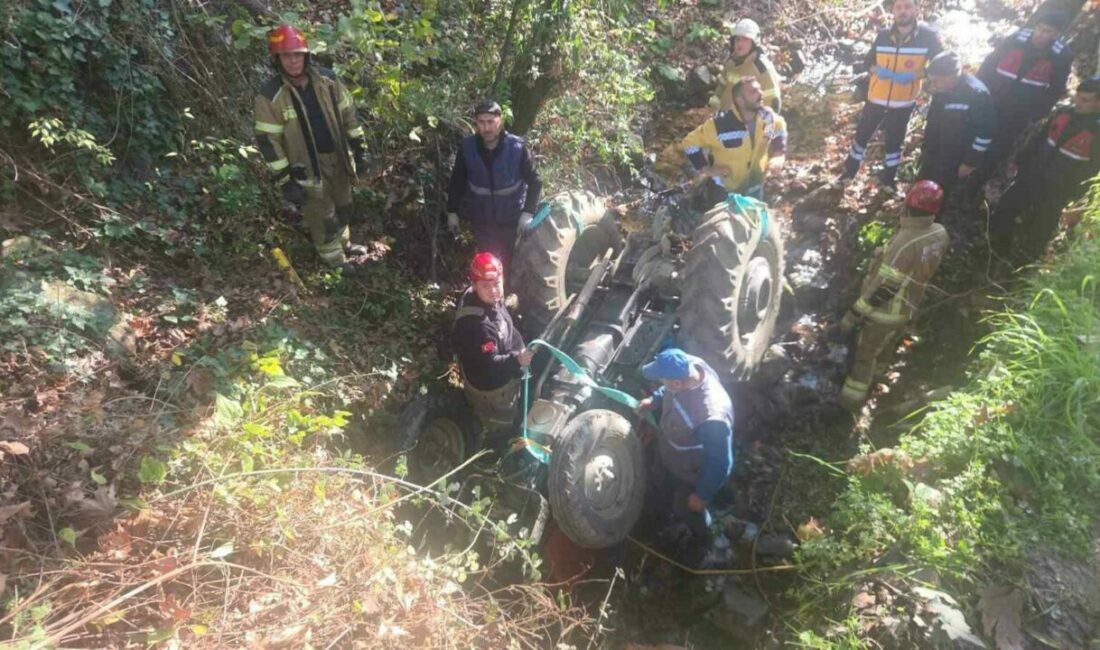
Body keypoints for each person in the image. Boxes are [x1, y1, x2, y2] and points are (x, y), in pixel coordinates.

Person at [254, 24, 369, 271]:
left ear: (306, 55)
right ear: (277, 59)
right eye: (286, 55)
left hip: (337, 158)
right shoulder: (270, 95)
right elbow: (268, 141)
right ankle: (334, 261)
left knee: (344, 205)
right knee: (322, 216)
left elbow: (349, 115)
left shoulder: (328, 81)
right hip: (304, 167)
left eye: (298, 54)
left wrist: (360, 148)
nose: (293, 61)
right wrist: (285, 179)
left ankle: (345, 244)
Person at [836, 181, 949, 410]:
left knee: (866, 353)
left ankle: (850, 402)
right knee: (886, 346)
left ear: (908, 205)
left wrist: (854, 314)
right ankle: (877, 378)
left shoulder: (905, 242)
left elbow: (885, 287)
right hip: (909, 307)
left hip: (885, 312)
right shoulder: (940, 233)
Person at [989, 76, 1100, 267]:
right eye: (1077, 97)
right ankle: (995, 251)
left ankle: (1022, 269)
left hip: (1058, 191)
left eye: (1085, 100)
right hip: (1031, 176)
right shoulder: (1063, 113)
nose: (1078, 103)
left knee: (1039, 231)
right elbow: (1039, 138)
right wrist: (1019, 160)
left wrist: (1079, 199)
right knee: (1005, 209)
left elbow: (1094, 171)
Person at [635, 348, 734, 553]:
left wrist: (701, 495)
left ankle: (703, 541)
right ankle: (665, 507)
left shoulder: (711, 417)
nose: (660, 382)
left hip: (691, 472)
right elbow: (667, 391)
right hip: (671, 454)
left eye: (662, 380)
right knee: (662, 484)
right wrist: (654, 400)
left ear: (677, 384)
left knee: (687, 508)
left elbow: (721, 463)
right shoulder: (691, 365)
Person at [839, 0, 942, 189]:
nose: (903, 11)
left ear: (916, 9)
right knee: (861, 137)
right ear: (893, 11)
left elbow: (940, 65)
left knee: (895, 142)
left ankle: (888, 181)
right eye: (898, 7)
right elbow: (868, 61)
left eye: (907, 6)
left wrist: (916, 75)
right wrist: (876, 70)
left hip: (903, 101)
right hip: (876, 98)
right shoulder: (883, 35)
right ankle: (848, 173)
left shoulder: (928, 37)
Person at [446, 101, 543, 274]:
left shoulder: (517, 148)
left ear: (500, 121)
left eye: (491, 122)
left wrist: (528, 212)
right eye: (481, 122)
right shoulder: (467, 148)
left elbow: (535, 181)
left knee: (509, 267)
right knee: (487, 269)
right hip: (481, 222)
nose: (486, 128)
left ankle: (508, 289)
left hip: (512, 222)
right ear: (476, 123)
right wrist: (452, 212)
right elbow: (457, 182)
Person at [451, 252, 534, 441]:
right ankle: (503, 438)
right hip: (494, 387)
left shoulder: (481, 298)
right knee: (507, 424)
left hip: (502, 356)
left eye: (497, 284)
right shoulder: (479, 326)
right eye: (486, 286)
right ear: (474, 285)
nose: (494, 291)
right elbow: (490, 365)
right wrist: (517, 360)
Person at [977, 11, 1073, 170]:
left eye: (1047, 31)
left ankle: (982, 175)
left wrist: (1036, 114)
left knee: (999, 148)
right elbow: (989, 64)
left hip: (1020, 111)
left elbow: (1055, 90)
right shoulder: (1017, 39)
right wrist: (978, 91)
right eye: (1039, 28)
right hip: (993, 99)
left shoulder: (1061, 55)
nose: (1040, 34)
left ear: (1056, 35)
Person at [682, 78, 787, 202]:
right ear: (740, 100)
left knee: (753, 214)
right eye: (753, 91)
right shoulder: (720, 125)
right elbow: (689, 143)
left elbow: (779, 129)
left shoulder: (767, 117)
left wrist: (779, 154)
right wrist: (706, 169)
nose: (761, 93)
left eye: (760, 89)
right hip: (725, 191)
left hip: (755, 186)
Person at [918, 52, 996, 218]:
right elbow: (933, 122)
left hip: (954, 158)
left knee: (940, 194)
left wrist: (969, 162)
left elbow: (985, 133)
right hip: (934, 151)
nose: (933, 84)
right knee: (921, 186)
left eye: (936, 80)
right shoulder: (942, 90)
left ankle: (932, 222)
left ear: (951, 76)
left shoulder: (976, 94)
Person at [710, 18, 782, 113]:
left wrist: (761, 120)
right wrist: (716, 99)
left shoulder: (761, 68)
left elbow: (773, 101)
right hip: (724, 116)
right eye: (737, 39)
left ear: (754, 43)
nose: (740, 43)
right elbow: (722, 84)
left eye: (745, 39)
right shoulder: (731, 62)